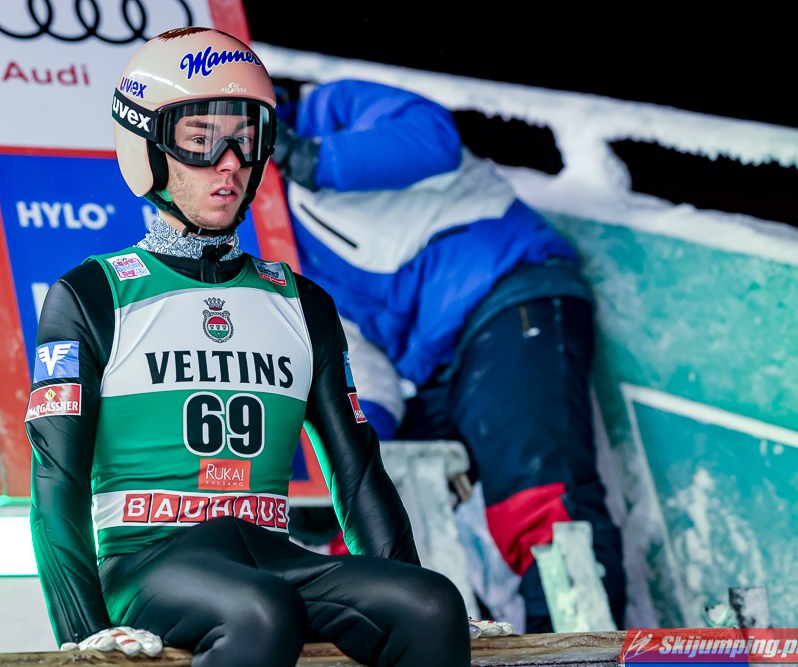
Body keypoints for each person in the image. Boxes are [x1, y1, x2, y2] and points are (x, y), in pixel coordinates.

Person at [24, 27, 471, 666]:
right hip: (149, 563)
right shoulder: (93, 294)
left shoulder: (300, 301)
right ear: (145, 145)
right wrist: (82, 630)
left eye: (246, 137)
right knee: (261, 612)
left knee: (429, 603)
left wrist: (404, 581)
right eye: (201, 139)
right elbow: (56, 477)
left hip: (269, 555)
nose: (230, 161)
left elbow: (356, 470)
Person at [269, 78, 627, 633]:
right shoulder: (283, 254)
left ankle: (575, 645)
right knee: (374, 509)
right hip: (440, 366)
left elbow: (431, 137)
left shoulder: (330, 111)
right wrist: (338, 471)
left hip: (506, 295)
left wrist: (310, 158)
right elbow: (364, 370)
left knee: (536, 494)